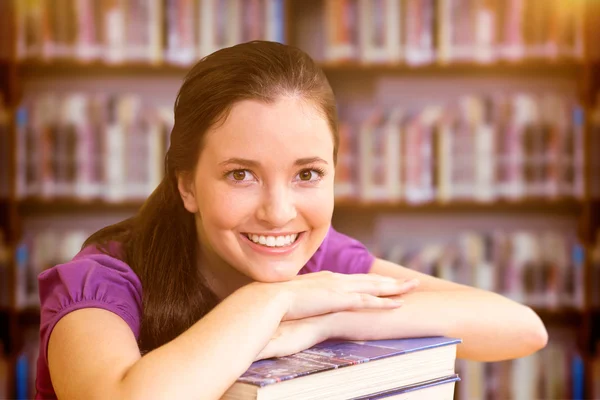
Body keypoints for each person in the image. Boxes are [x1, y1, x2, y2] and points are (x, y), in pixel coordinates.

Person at [36, 41, 548, 399]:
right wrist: (271, 301)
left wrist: (328, 319)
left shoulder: (322, 265)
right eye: (241, 174)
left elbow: (521, 328)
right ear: (186, 185)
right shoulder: (101, 282)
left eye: (307, 173)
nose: (279, 212)